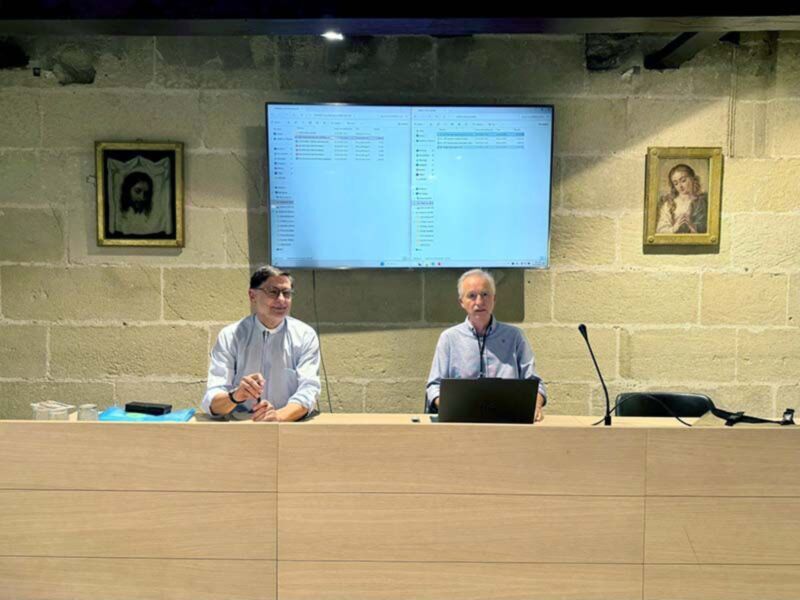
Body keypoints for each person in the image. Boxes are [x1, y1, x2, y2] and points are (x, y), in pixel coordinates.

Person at [426, 269, 547, 421]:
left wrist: (535, 406)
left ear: (494, 299)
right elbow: (434, 387)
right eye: (471, 296)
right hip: (461, 423)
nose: (479, 302)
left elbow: (535, 384)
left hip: (509, 423)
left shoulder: (514, 336)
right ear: (461, 302)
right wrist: (453, 408)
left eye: (485, 294)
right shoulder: (449, 338)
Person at [203, 265, 321, 422]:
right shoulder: (230, 336)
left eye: (286, 293)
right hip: (241, 427)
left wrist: (279, 416)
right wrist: (236, 396)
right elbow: (213, 401)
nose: (281, 300)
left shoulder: (305, 335)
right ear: (252, 296)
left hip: (288, 424)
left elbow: (309, 390)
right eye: (273, 292)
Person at [113, 170, 172, 236]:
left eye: (146, 193)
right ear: (127, 190)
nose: (142, 197)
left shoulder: (154, 216)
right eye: (137, 191)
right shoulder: (117, 216)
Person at [656, 164, 708, 234]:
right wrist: (674, 228)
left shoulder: (702, 201)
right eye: (676, 183)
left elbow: (706, 228)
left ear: (693, 179)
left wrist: (692, 226)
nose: (680, 186)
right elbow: (660, 229)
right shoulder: (669, 204)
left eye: (683, 180)